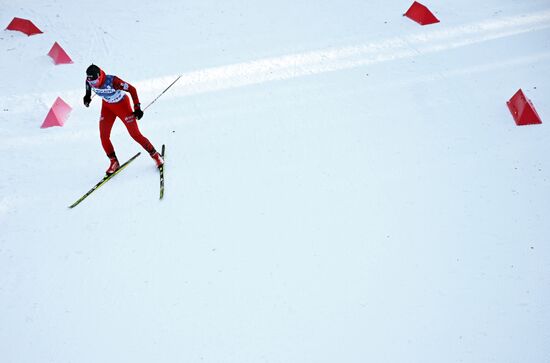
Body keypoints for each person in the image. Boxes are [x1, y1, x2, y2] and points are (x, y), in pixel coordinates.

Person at [83, 64, 164, 175]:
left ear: (99, 76)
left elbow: (132, 89)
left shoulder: (112, 81)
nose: (93, 84)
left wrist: (137, 107)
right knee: (103, 136)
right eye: (91, 82)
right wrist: (87, 96)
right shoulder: (90, 80)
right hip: (107, 107)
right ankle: (114, 162)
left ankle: (155, 155)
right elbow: (88, 85)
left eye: (95, 82)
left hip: (122, 106)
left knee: (135, 134)